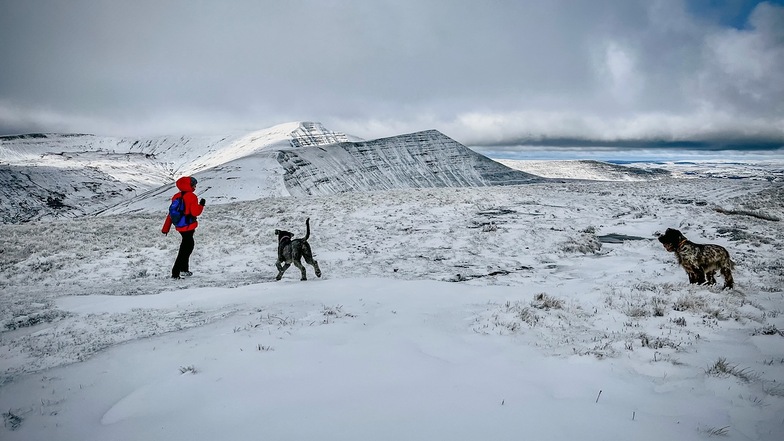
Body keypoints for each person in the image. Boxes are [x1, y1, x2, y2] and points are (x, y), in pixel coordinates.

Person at [162, 176, 206, 279]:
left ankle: (184, 270)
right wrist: (202, 205)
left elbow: (171, 214)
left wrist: (166, 228)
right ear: (190, 185)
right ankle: (175, 273)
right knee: (186, 249)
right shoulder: (191, 196)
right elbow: (196, 212)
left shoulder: (176, 196)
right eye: (194, 185)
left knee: (187, 247)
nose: (195, 186)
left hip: (180, 226)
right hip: (188, 226)